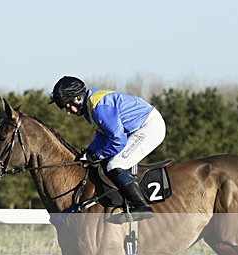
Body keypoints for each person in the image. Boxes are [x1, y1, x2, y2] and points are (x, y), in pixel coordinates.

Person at [50, 76, 166, 219]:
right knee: (108, 162)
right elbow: (102, 136)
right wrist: (89, 151)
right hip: (139, 126)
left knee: (115, 164)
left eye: (68, 105)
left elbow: (118, 140)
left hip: (149, 127)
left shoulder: (99, 108)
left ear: (77, 98)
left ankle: (141, 206)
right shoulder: (91, 106)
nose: (68, 111)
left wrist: (98, 155)